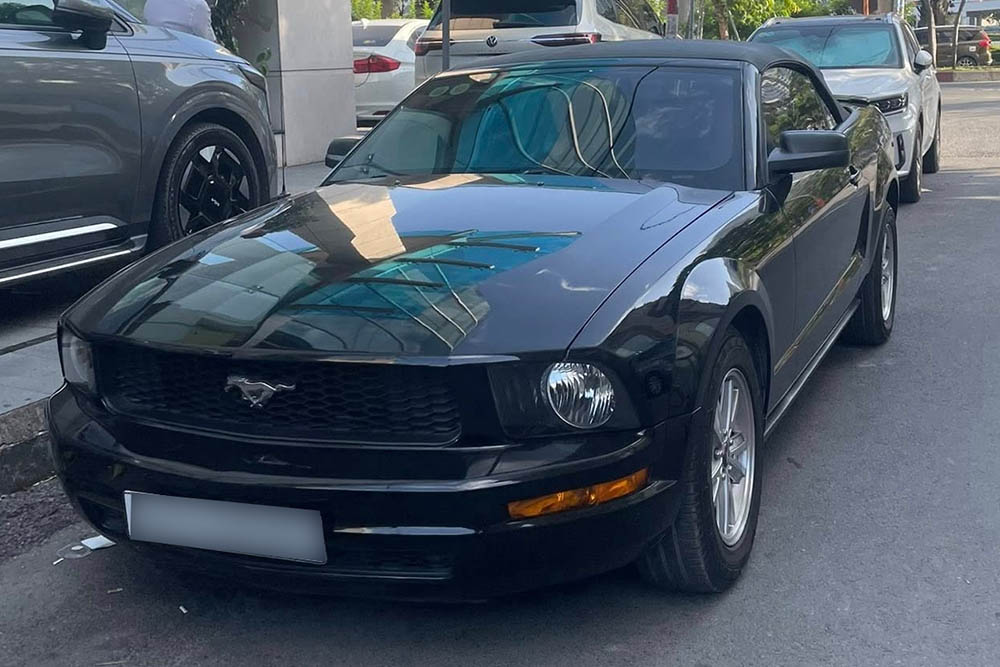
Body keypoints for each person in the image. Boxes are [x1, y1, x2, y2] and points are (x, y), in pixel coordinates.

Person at [144, 0, 217, 42]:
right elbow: (210, 42)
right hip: (185, 56)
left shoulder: (151, 1)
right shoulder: (198, 5)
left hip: (154, 48)